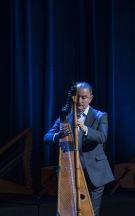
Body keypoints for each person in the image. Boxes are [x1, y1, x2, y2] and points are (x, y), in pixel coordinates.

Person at [44, 82, 114, 216]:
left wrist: (85, 129)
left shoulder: (100, 116)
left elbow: (102, 137)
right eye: (78, 97)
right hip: (70, 173)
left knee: (90, 213)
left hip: (94, 172)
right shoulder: (65, 116)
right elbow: (46, 137)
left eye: (84, 97)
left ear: (90, 98)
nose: (80, 101)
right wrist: (57, 136)